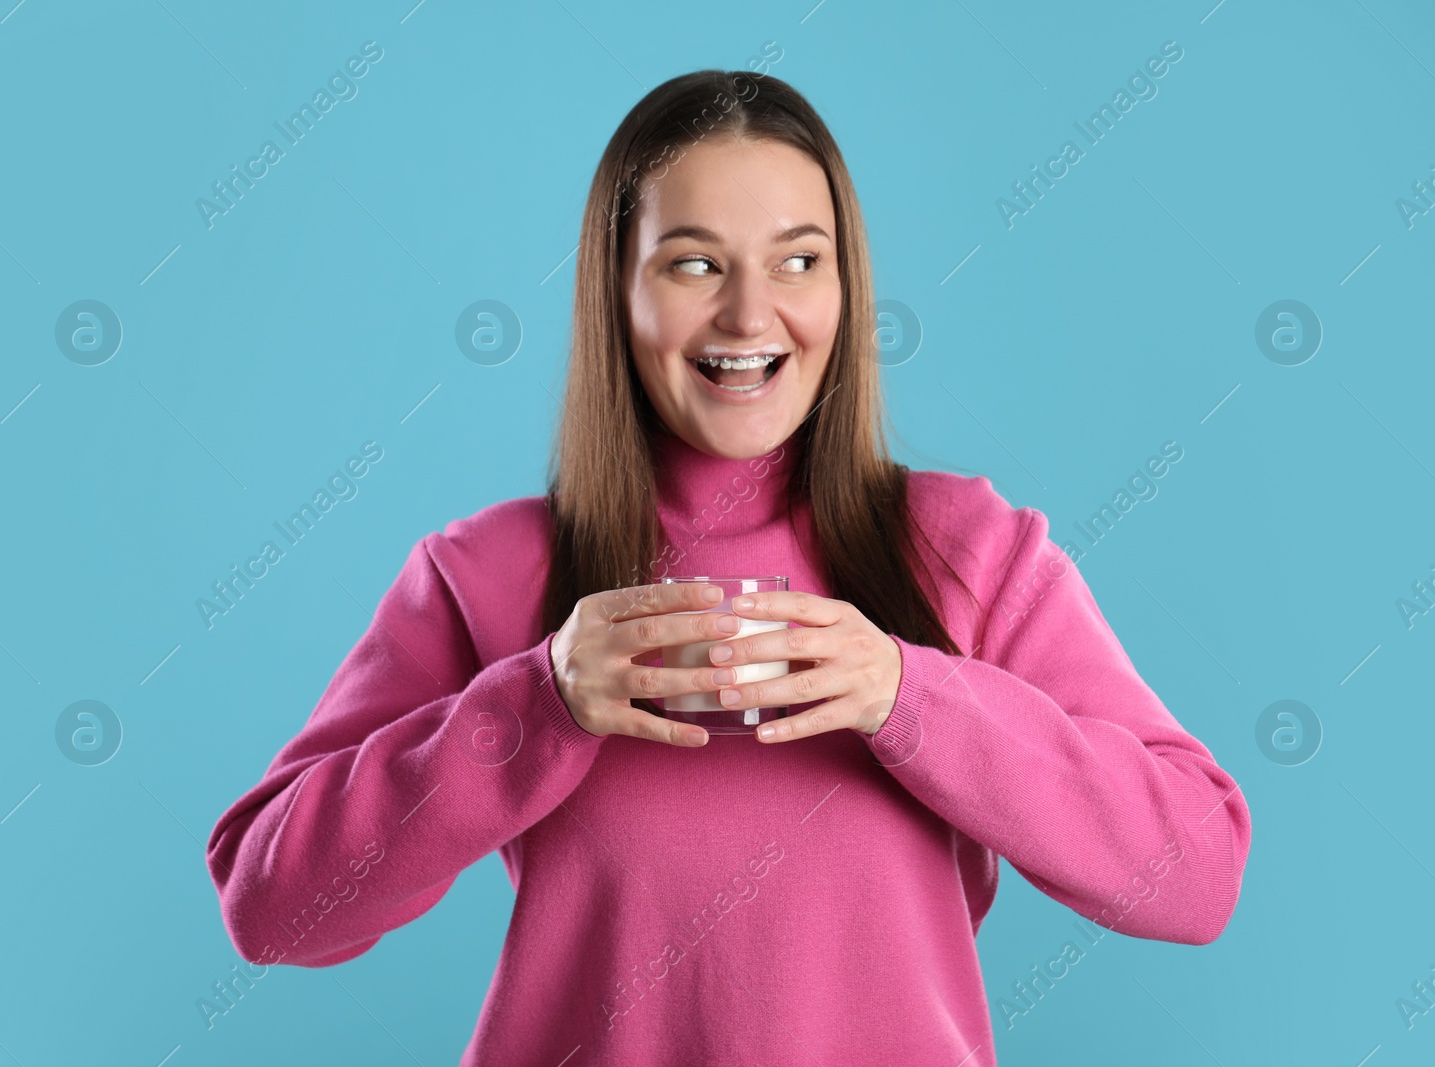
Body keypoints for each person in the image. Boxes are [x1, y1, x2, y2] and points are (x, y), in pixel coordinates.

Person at [206, 69, 1250, 1065]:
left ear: (846, 288)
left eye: (799, 260)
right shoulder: (488, 571)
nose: (751, 317)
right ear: (617, 289)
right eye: (694, 262)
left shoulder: (968, 551)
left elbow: (1196, 874)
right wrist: (537, 703)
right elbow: (269, 904)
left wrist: (909, 692)